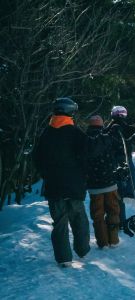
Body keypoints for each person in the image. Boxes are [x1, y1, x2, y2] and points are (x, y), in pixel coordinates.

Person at [33, 97, 90, 266]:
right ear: (70, 111)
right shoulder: (75, 133)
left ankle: (64, 259)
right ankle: (82, 250)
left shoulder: (46, 133)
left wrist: (47, 174)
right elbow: (87, 155)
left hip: (54, 187)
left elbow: (37, 159)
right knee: (79, 219)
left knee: (59, 223)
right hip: (74, 186)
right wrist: (83, 174)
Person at [85, 115, 122, 248]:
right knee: (113, 211)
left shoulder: (85, 140)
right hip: (110, 182)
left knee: (98, 214)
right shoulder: (107, 138)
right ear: (101, 125)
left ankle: (102, 242)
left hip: (94, 186)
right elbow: (119, 152)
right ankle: (114, 239)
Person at [104, 106, 135, 231]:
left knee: (117, 189)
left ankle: (120, 218)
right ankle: (130, 193)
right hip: (125, 159)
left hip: (113, 161)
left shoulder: (108, 128)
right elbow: (132, 140)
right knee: (131, 180)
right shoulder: (127, 127)